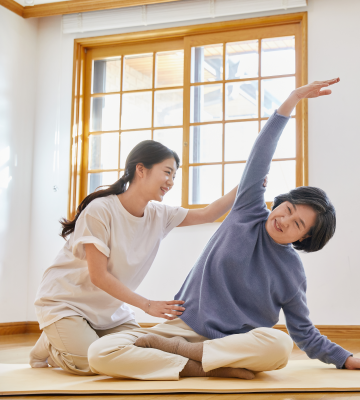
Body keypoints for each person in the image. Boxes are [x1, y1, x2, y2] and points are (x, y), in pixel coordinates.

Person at [87, 78, 360, 381]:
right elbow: (262, 153)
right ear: (281, 202)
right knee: (100, 352)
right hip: (181, 329)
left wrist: (345, 358)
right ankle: (198, 364)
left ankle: (192, 358)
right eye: (288, 209)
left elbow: (303, 332)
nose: (284, 220)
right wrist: (292, 101)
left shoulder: (291, 271)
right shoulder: (248, 210)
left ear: (304, 237)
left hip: (233, 345)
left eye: (297, 224)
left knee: (280, 345)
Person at [30, 140, 241, 376]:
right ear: (141, 169)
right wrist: (148, 305)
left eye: (174, 176)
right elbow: (98, 276)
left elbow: (207, 214)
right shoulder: (100, 210)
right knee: (95, 363)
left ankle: (66, 336)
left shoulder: (160, 215)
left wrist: (245, 184)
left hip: (109, 312)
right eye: (167, 172)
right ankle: (53, 343)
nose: (171, 182)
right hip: (67, 304)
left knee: (140, 351)